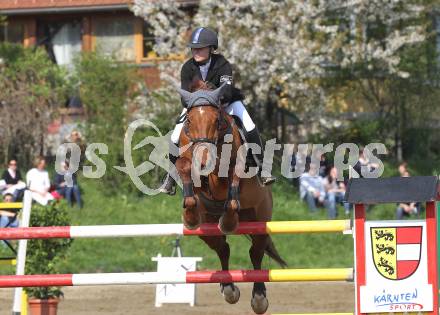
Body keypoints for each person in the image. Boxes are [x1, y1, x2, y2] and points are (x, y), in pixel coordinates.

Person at [160, 27, 275, 195]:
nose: (196, 51)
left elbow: (226, 91)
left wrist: (209, 96)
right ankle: (170, 176)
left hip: (226, 103)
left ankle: (263, 168)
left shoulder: (222, 64)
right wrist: (200, 102)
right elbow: (184, 96)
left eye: (200, 48)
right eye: (194, 48)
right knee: (175, 135)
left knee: (249, 126)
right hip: (196, 106)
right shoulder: (187, 67)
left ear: (211, 48)